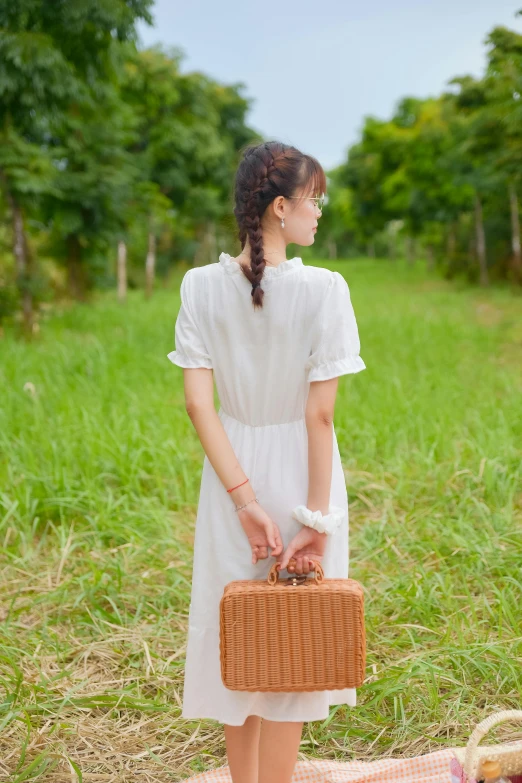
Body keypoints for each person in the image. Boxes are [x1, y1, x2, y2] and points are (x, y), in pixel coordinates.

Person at [167, 140, 366, 783]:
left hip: (234, 479)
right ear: (282, 207)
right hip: (304, 474)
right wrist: (315, 517)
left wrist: (246, 503)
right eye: (315, 200)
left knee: (240, 634)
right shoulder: (327, 291)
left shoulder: (199, 287)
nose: (320, 213)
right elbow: (320, 417)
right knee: (295, 641)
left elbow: (200, 406)